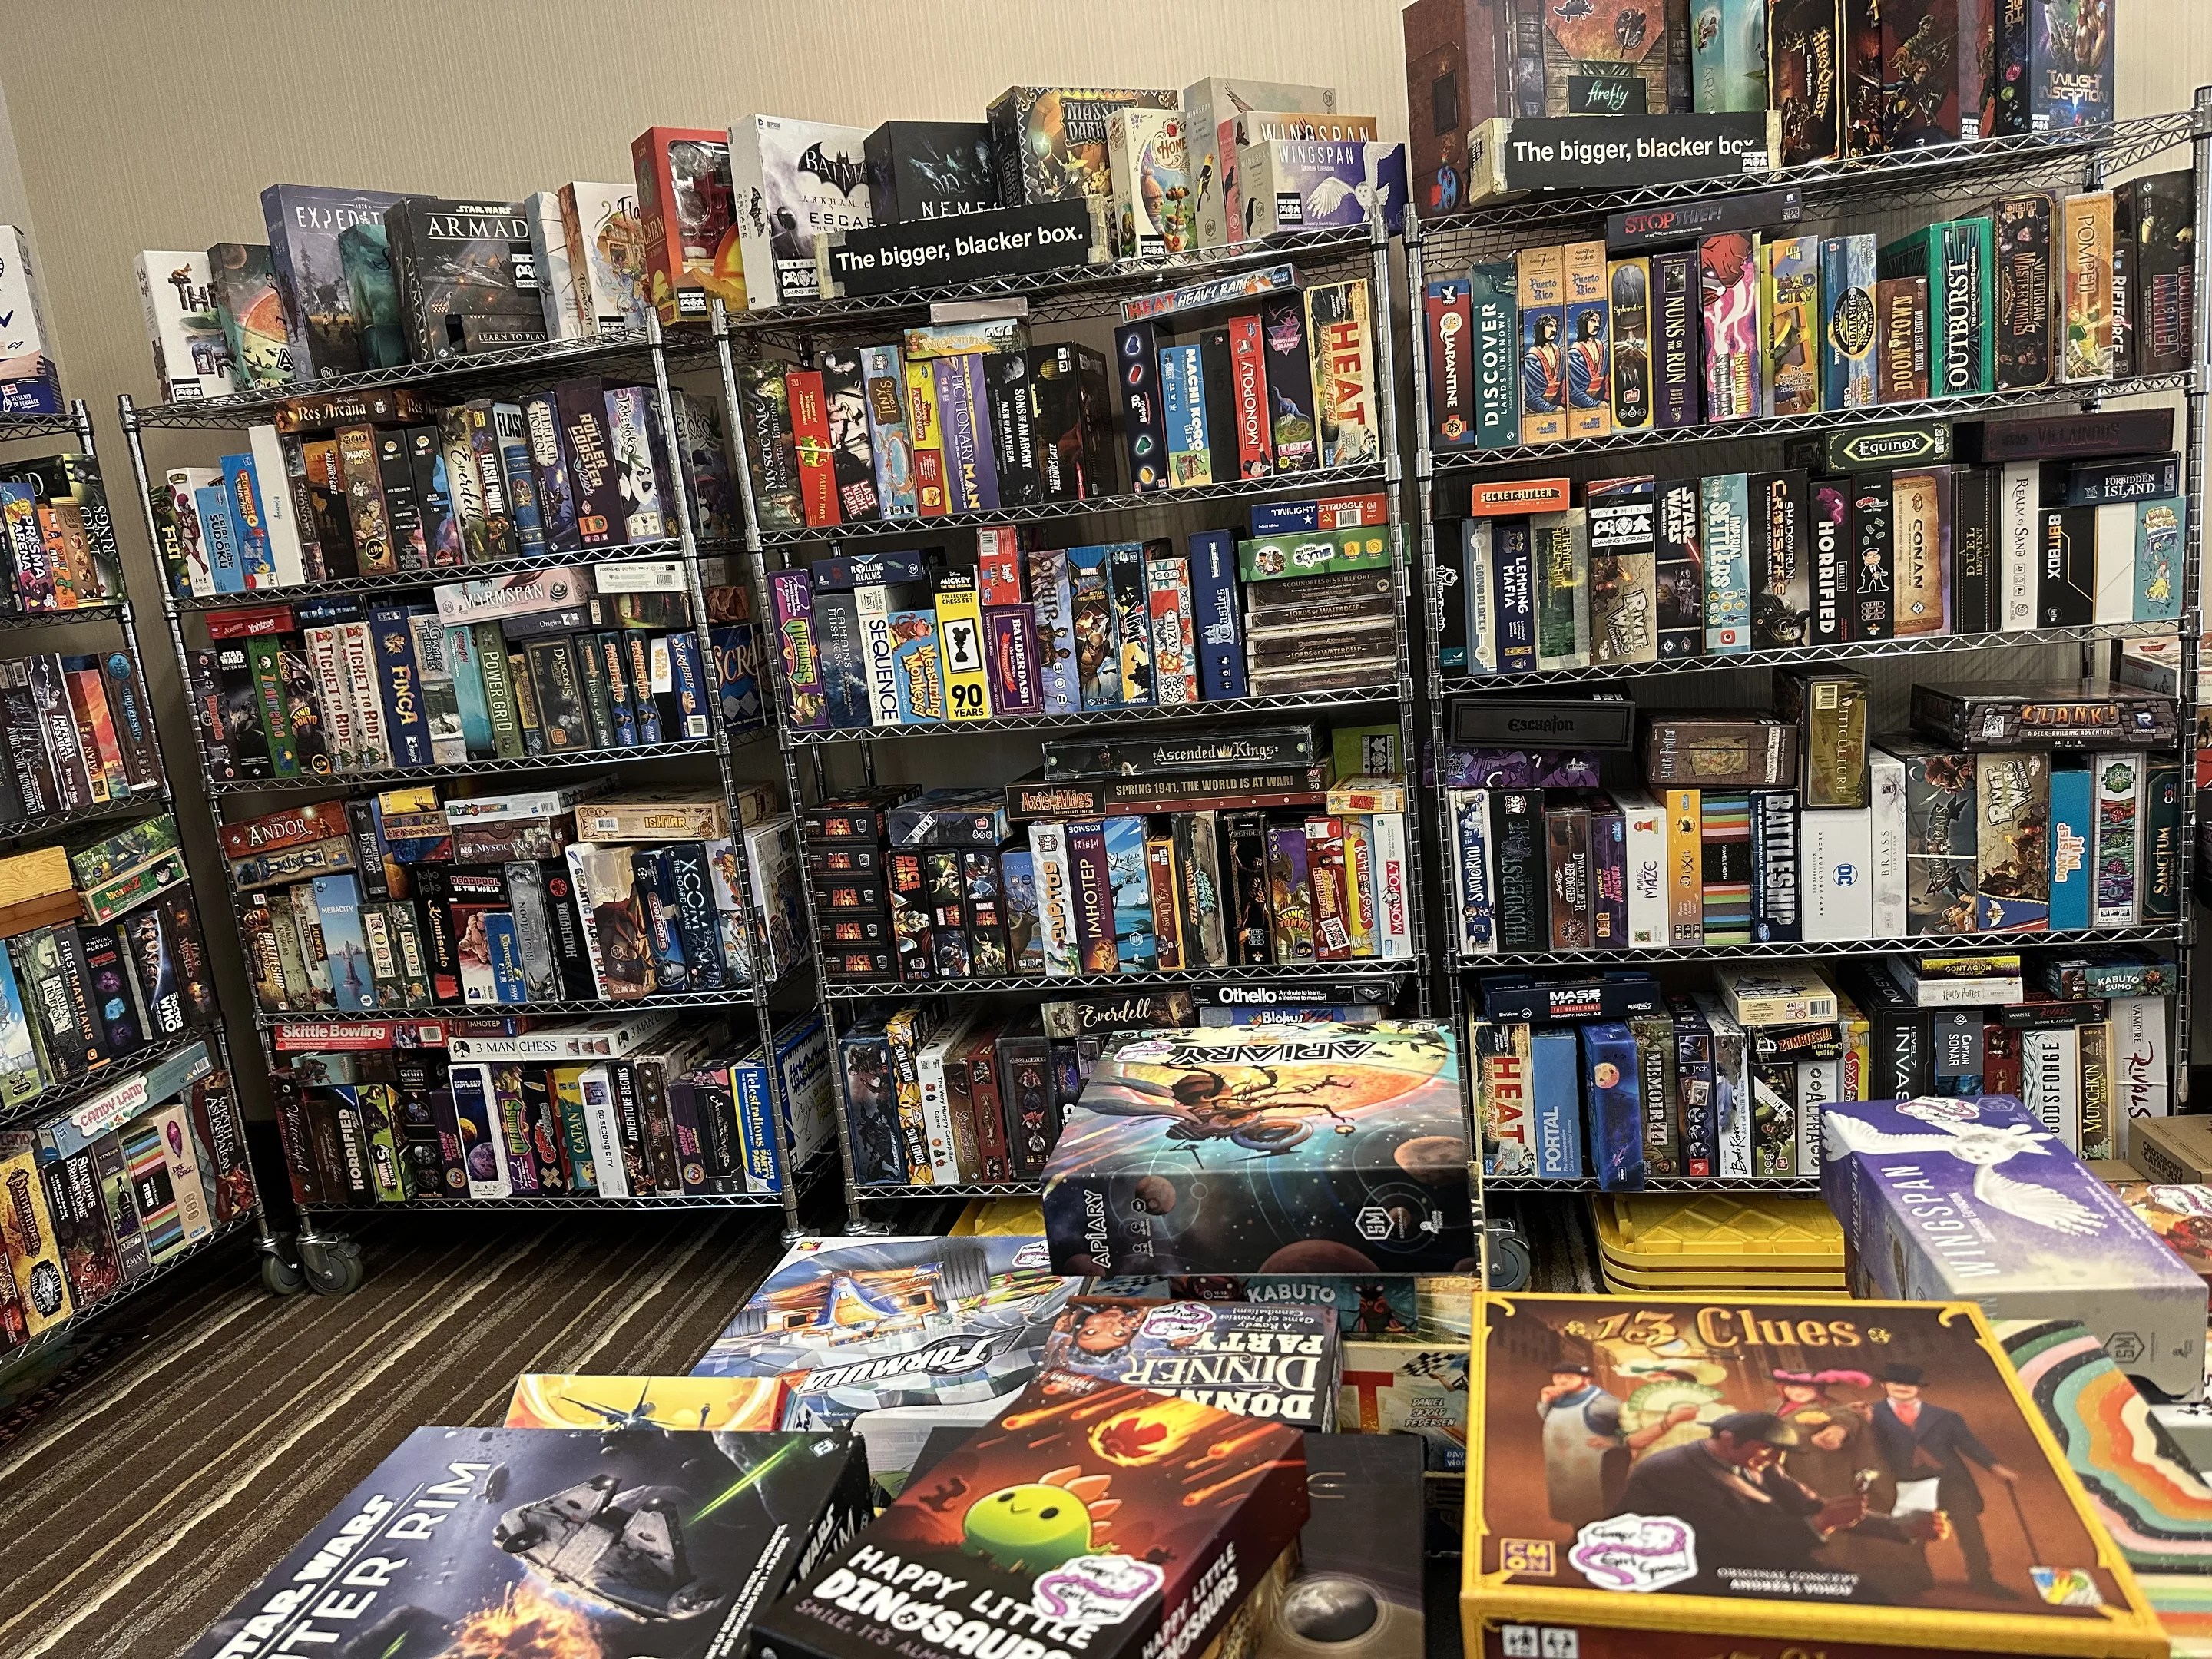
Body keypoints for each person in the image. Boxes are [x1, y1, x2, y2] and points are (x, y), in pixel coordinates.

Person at [1614, 1412, 1929, 1600]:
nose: (1777, 1459)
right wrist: (1821, 1522)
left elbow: (1810, 1505)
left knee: (1866, 1596)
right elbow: (1734, 1535)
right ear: (1728, 1439)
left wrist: (1900, 1526)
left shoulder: (1761, 1463)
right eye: (1769, 1448)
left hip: (1755, 1560)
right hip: (1688, 1574)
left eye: (1781, 1451)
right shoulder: (1671, 1470)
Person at [1866, 1363, 2020, 1598]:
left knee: (1969, 1529)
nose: (1903, 1388)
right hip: (1908, 1481)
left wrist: (1996, 1468)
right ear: (1884, 1385)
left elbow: (1969, 1444)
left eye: (1909, 1384)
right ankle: (1914, 1579)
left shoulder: (1946, 1417)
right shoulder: (1871, 1414)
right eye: (1896, 1383)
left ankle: (1982, 1578)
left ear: (1918, 1388)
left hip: (1951, 1480)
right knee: (1910, 1532)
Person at [1538, 1365, 1698, 1531]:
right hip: (1572, 1463)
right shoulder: (1634, 1409)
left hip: (1598, 1464)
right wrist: (1545, 1402)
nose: (1562, 1381)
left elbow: (1624, 1434)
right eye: (1558, 1377)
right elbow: (1632, 1438)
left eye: (1569, 1377)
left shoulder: (1603, 1403)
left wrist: (1613, 1442)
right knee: (1578, 1505)